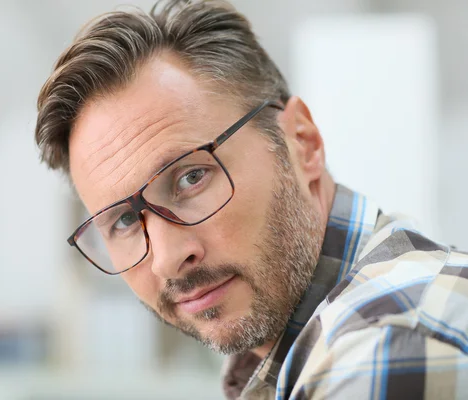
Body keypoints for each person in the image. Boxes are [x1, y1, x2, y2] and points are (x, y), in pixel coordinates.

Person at [34, 1, 468, 398]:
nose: (165, 259)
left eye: (190, 177)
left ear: (302, 142)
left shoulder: (383, 348)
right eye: (125, 221)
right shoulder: (287, 351)